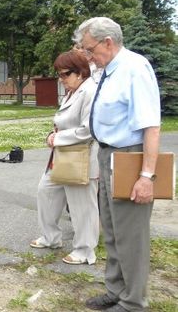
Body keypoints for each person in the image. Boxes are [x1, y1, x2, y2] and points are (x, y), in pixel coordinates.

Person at [76, 17, 160, 312]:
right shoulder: (109, 71)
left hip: (128, 156)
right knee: (111, 231)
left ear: (107, 42)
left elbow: (151, 126)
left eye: (89, 49)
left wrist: (146, 176)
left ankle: (134, 302)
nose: (88, 56)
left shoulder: (134, 68)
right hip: (108, 155)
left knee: (131, 235)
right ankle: (115, 290)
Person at [30, 51, 99, 265]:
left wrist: (58, 137)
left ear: (80, 72)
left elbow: (90, 129)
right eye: (59, 74)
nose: (61, 79)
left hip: (81, 156)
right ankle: (51, 237)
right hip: (61, 156)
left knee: (82, 205)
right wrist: (55, 134)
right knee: (46, 191)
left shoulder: (90, 91)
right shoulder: (72, 91)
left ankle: (85, 250)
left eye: (65, 74)